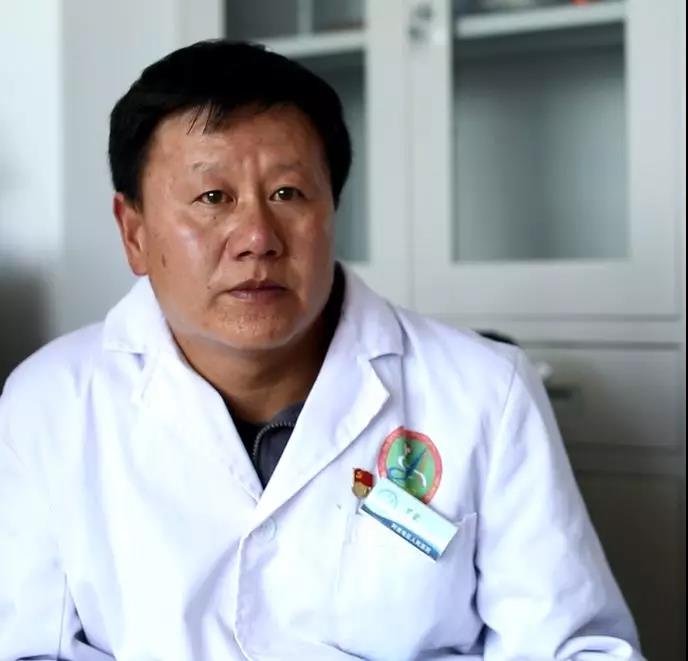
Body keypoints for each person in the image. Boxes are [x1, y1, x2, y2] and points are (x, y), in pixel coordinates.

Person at [0, 40, 643, 660]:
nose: (257, 237)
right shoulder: (49, 405)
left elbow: (573, 649)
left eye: (288, 194)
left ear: (333, 209)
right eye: (213, 198)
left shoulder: (486, 392)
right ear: (134, 232)